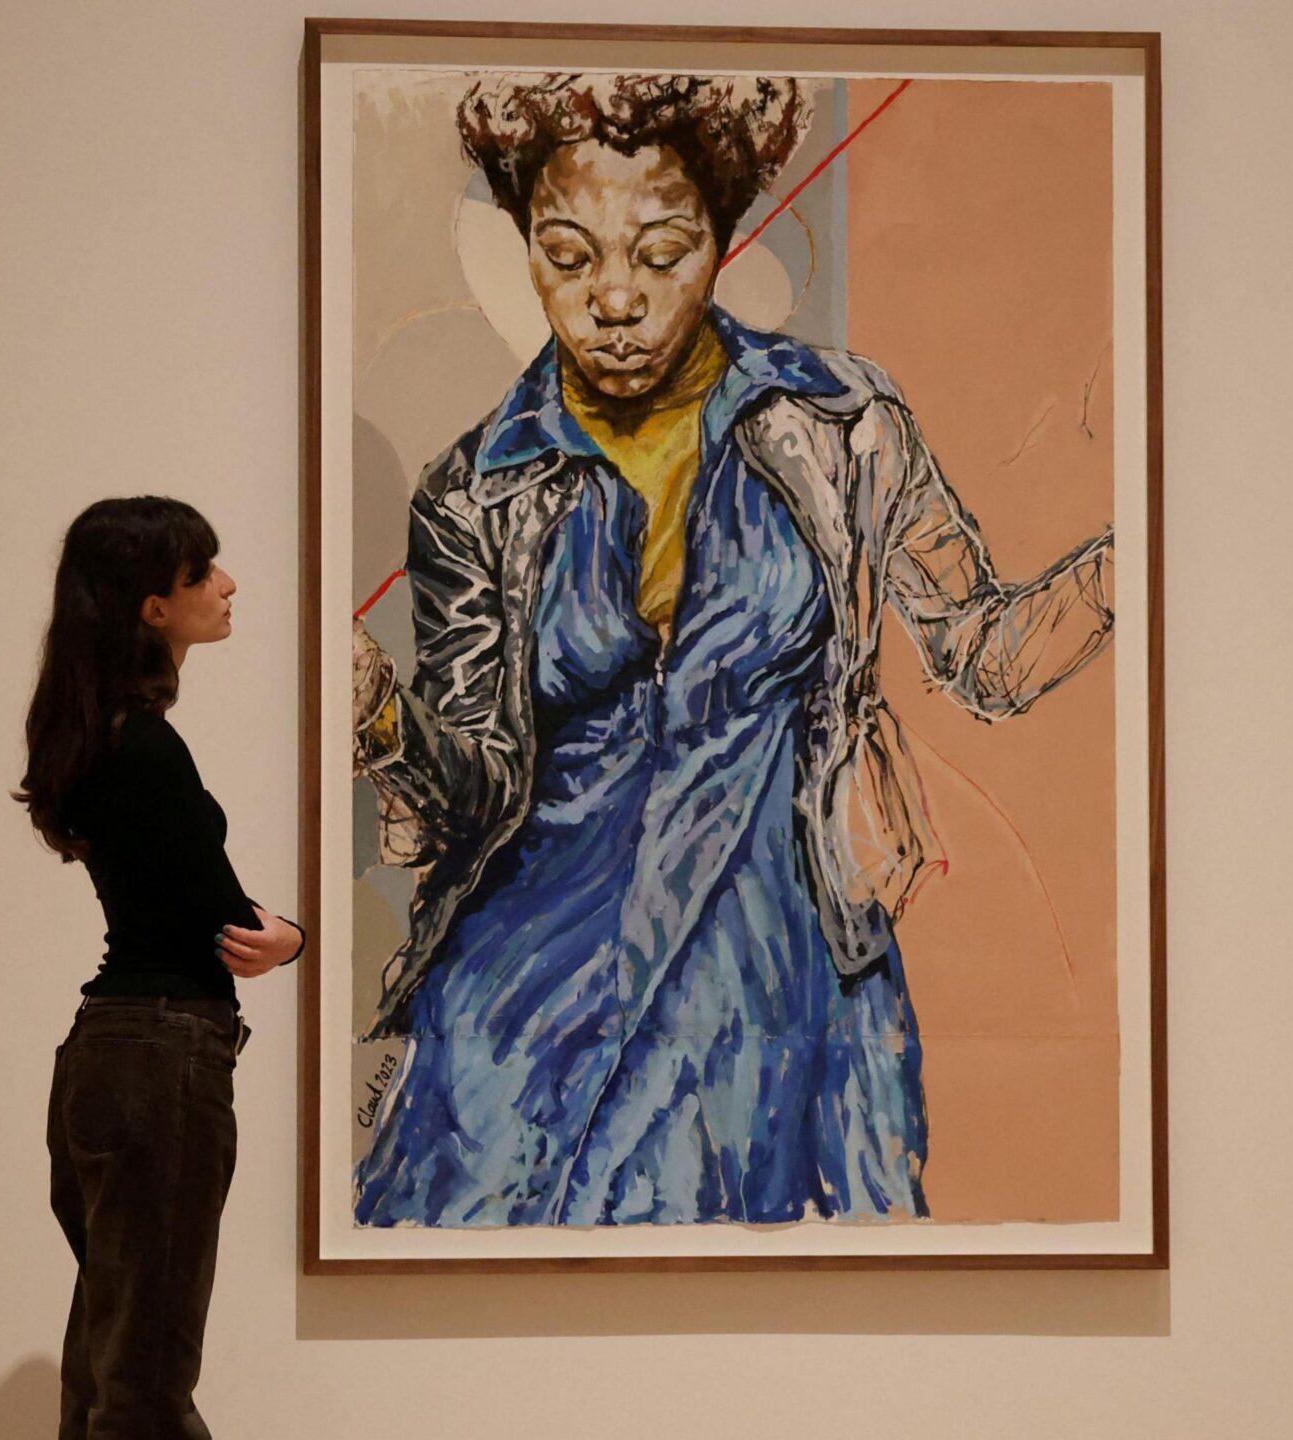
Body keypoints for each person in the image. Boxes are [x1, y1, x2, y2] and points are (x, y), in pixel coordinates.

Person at [346, 75, 1115, 1228]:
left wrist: (1138, 560)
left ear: (721, 237)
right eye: (566, 255)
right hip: (523, 1012)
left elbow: (985, 657)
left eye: (659, 253)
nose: (613, 298)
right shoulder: (471, 491)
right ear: (524, 248)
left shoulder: (844, 422)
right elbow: (478, 788)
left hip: (780, 989)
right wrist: (378, 720)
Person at [15, 495, 303, 1439]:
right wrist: (292, 936)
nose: (226, 586)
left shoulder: (96, 735)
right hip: (160, 1059)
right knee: (143, 1384)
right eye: (202, 573)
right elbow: (227, 920)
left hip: (104, 1057)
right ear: (153, 607)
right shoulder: (143, 749)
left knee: (104, 1370)